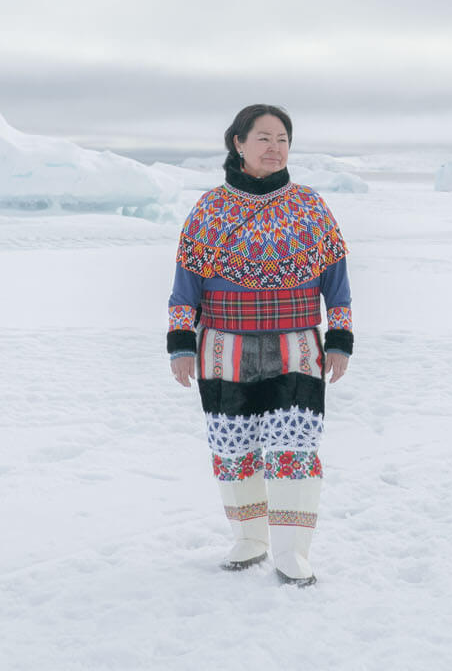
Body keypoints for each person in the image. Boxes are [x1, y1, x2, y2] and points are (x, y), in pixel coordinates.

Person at [166, 103, 352, 586]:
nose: (275, 148)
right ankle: (250, 537)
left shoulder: (310, 206)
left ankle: (293, 552)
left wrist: (341, 338)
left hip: (298, 347)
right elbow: (186, 283)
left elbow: (336, 279)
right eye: (264, 138)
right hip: (223, 347)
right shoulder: (209, 209)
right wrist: (181, 343)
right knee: (234, 449)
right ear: (239, 143)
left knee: (295, 447)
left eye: (283, 139)